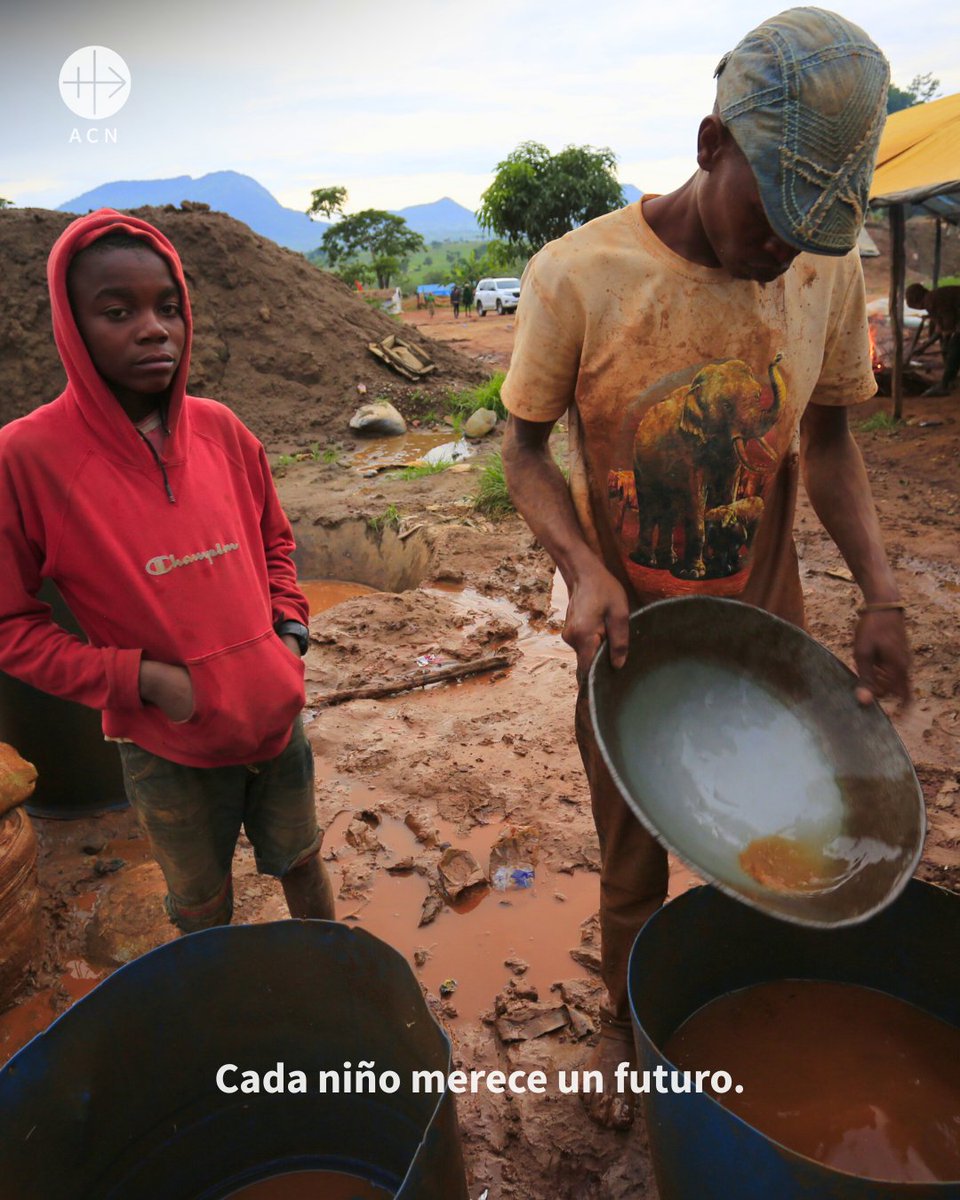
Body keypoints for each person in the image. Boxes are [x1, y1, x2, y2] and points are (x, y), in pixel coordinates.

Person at [501, 8, 911, 1131]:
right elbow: (524, 451)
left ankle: (756, 1054)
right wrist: (583, 567)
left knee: (776, 857)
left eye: (811, 231)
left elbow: (827, 442)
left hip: (763, 637)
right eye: (771, 213)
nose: (782, 248)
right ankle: (641, 1054)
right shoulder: (577, 274)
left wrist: (879, 590)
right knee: (633, 872)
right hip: (627, 640)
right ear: (709, 143)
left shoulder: (822, 273)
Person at [0, 209, 336, 933]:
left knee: (304, 863)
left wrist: (289, 635)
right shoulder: (28, 459)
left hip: (277, 725)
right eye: (117, 312)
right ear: (70, 323)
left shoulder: (222, 430)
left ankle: (333, 979)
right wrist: (143, 682)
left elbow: (276, 542)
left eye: (168, 307)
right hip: (166, 746)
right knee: (200, 904)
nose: (153, 329)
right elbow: (11, 628)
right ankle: (221, 1017)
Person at [905, 281, 960, 396]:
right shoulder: (933, 300)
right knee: (953, 346)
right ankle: (950, 378)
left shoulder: (932, 300)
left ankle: (945, 384)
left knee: (955, 347)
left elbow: (949, 323)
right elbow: (939, 331)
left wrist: (946, 340)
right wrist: (923, 347)